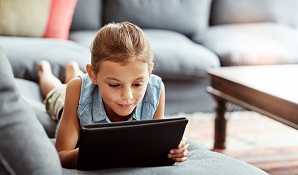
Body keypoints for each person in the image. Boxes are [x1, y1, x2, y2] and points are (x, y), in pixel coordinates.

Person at [38, 22, 189, 169]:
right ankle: (44, 72)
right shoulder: (76, 90)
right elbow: (61, 155)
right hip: (72, 98)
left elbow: (158, 138)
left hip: (87, 83)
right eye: (115, 85)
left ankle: (73, 71)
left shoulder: (156, 89)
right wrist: (99, 152)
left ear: (149, 72)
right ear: (93, 74)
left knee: (74, 81)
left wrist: (174, 149)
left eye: (137, 84)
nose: (127, 96)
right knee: (57, 91)